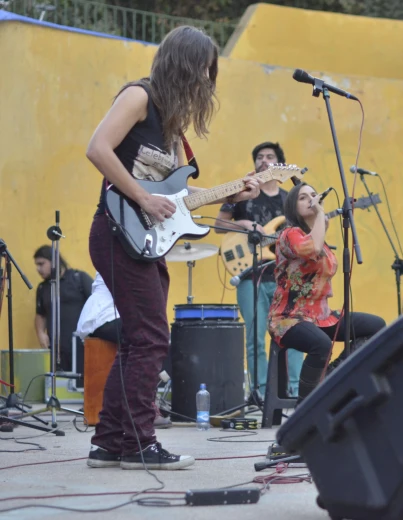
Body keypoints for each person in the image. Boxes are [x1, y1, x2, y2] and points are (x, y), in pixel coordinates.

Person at [84, 26, 261, 470]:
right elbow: (97, 148)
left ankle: (109, 442)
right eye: (204, 68)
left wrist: (232, 194)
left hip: (142, 240)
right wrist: (142, 198)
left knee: (138, 340)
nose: (207, 78)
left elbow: (177, 199)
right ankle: (140, 443)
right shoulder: (138, 97)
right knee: (151, 338)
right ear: (183, 63)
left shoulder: (170, 124)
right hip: (115, 229)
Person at [267, 183, 386, 405]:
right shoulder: (289, 234)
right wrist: (321, 213)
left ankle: (332, 376)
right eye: (303, 198)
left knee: (376, 326)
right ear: (293, 206)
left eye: (313, 194)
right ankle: (304, 411)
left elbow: (317, 248)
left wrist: (320, 219)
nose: (311, 199)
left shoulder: (320, 237)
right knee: (321, 344)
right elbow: (309, 249)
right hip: (289, 317)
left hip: (321, 316)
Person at [216, 142, 304, 399]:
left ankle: (297, 391)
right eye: (260, 157)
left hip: (284, 277)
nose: (264, 161)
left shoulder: (290, 199)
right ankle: (261, 394)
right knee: (255, 337)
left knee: (295, 333)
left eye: (270, 157)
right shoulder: (243, 192)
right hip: (249, 275)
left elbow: (302, 233)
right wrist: (244, 223)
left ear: (280, 164)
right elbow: (220, 226)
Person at [75, 272, 171, 429]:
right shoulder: (122, 255)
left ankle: (138, 407)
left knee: (151, 338)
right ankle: (142, 408)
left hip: (111, 316)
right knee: (149, 341)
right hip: (104, 316)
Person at [33, 245, 93, 376]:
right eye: (36, 265)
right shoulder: (43, 288)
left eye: (41, 264)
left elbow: (97, 305)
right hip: (56, 350)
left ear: (54, 260)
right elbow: (40, 314)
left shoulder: (79, 278)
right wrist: (40, 333)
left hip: (81, 346)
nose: (38, 269)